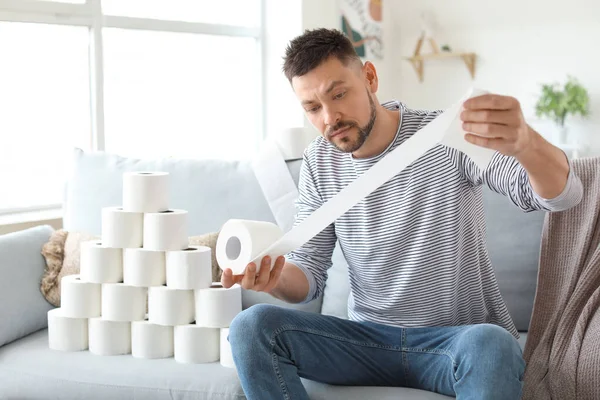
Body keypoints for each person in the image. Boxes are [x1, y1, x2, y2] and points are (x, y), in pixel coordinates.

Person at [221, 28, 583, 399]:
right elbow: (308, 276)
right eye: (313, 108)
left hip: (453, 342)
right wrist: (273, 280)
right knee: (251, 327)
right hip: (367, 343)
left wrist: (527, 142)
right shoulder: (320, 162)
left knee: (491, 346)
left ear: (370, 78)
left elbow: (562, 196)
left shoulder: (447, 136)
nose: (330, 117)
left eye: (339, 94)